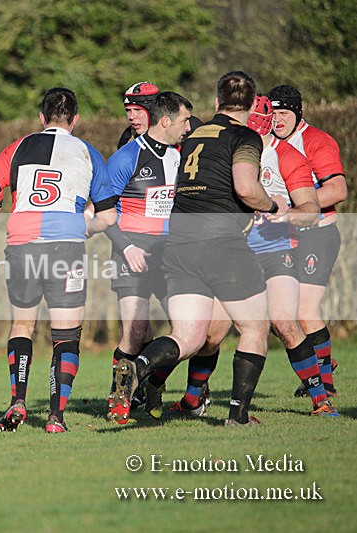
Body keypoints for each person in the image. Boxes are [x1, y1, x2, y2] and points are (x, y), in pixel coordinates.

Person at [113, 72, 283, 427]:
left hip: (179, 246)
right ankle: (238, 416)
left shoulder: (191, 137)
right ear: (253, 106)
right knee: (254, 327)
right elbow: (246, 188)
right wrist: (272, 207)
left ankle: (139, 366)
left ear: (217, 101)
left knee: (189, 336)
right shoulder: (245, 136)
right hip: (222, 244)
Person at [162, 95, 339, 419]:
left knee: (284, 321)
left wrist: (286, 215)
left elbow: (311, 211)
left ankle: (320, 398)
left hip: (273, 252)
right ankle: (191, 400)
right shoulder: (227, 147)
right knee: (212, 334)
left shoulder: (286, 156)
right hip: (229, 253)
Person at [0, 88, 111, 433]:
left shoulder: (17, 146)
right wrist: (85, 227)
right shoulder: (87, 152)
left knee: (22, 326)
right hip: (65, 246)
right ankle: (55, 418)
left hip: (21, 245)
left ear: (41, 118)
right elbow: (108, 217)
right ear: (75, 120)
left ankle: (17, 400)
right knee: (65, 335)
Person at [100, 91, 193, 421]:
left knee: (187, 332)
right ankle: (119, 398)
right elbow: (101, 212)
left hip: (171, 253)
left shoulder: (183, 155)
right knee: (136, 331)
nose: (188, 127)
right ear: (165, 120)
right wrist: (126, 246)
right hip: (132, 251)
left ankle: (153, 381)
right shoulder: (126, 158)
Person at [268, 84, 346, 397]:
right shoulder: (268, 144)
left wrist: (294, 202)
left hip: (318, 234)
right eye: (272, 114)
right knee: (278, 316)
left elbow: (338, 191)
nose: (277, 120)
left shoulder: (316, 141)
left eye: (284, 113)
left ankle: (323, 382)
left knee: (303, 310)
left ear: (298, 112)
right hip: (282, 238)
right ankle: (320, 361)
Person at [117, 82, 160, 149]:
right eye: (128, 110)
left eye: (137, 110)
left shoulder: (175, 136)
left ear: (153, 112)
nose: (131, 117)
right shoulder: (127, 137)